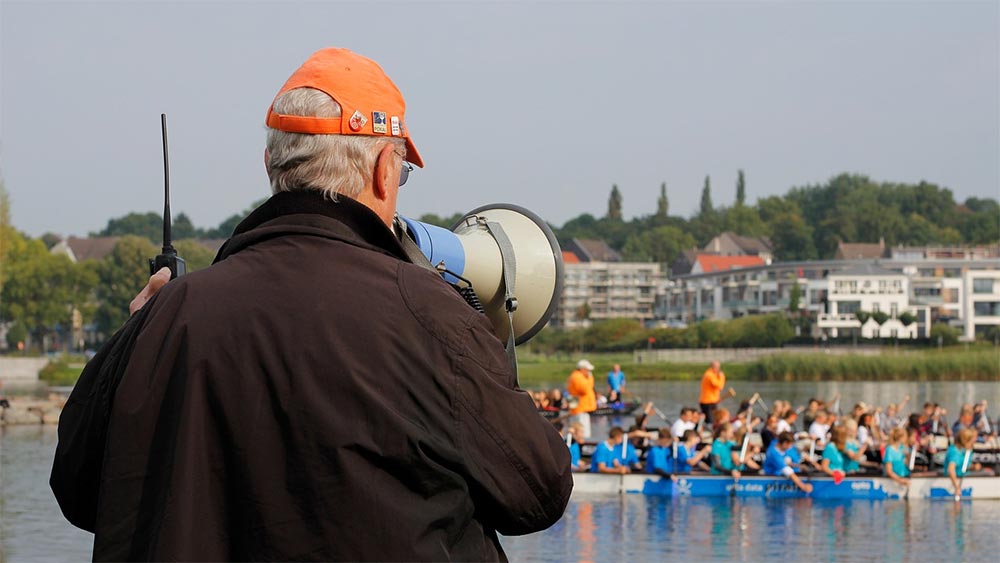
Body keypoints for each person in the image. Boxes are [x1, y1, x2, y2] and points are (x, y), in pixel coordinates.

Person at [50, 48, 572, 561]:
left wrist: (137, 341)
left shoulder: (168, 315)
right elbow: (539, 494)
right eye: (402, 174)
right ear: (384, 171)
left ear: (270, 165)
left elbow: (77, 490)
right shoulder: (431, 316)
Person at [567, 359, 598, 439]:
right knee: (582, 433)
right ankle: (581, 445)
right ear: (582, 369)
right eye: (588, 370)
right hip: (580, 409)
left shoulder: (579, 377)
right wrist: (590, 378)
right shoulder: (577, 377)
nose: (589, 372)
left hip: (581, 408)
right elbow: (585, 389)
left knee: (581, 432)